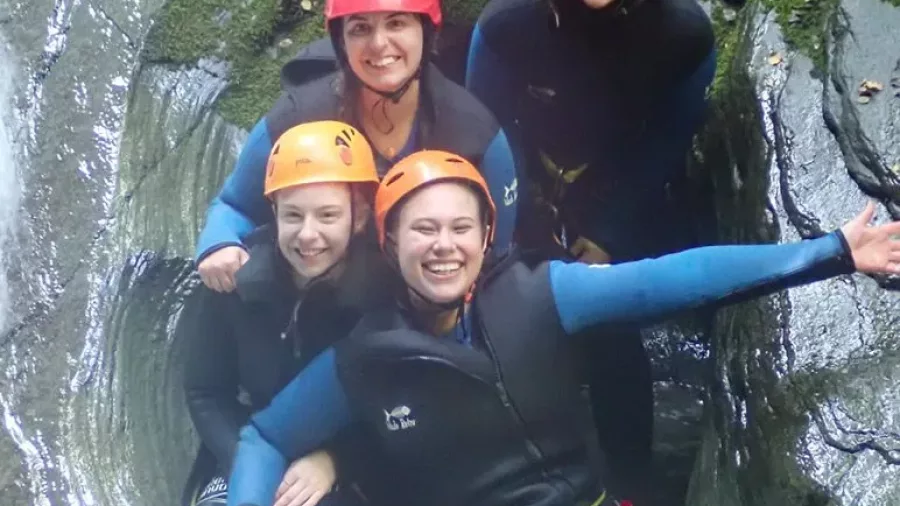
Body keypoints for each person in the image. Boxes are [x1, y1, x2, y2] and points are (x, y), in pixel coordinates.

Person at [224, 150, 900, 506]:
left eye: (461, 228)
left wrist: (832, 252)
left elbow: (674, 277)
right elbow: (267, 433)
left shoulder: (540, 296)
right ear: (390, 238)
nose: (443, 246)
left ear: (488, 237)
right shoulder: (363, 358)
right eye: (423, 229)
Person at [465, 0, 718, 495]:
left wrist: (607, 229)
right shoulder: (508, 24)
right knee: (511, 320)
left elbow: (665, 142)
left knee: (610, 324)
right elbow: (486, 131)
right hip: (524, 184)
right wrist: (526, 221)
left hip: (619, 183)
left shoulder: (682, 35)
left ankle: (630, 482)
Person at [194, 0, 522, 295]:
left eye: (396, 23)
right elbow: (234, 206)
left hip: (426, 306)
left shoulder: (474, 132)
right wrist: (218, 244)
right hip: (329, 296)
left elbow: (497, 256)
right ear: (341, 41)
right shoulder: (298, 116)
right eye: (360, 28)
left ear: (425, 32)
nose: (379, 44)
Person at [180, 120, 395, 506]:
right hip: (245, 445)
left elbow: (404, 406)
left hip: (354, 462)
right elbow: (206, 391)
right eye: (293, 216)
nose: (307, 235)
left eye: (327, 216)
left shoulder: (385, 293)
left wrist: (336, 461)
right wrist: (253, 466)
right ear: (274, 212)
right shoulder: (236, 280)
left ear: (359, 216)